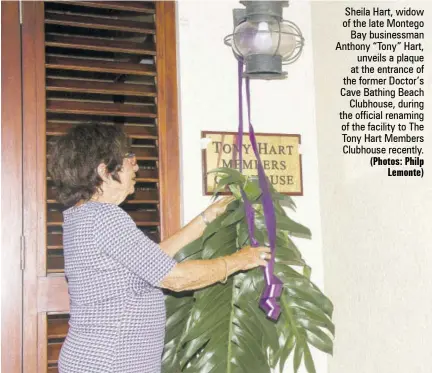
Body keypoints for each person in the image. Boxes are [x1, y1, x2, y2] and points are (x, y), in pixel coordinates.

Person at [48, 124, 271, 373]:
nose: (136, 165)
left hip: (91, 358)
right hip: (112, 362)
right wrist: (240, 260)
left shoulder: (81, 216)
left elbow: (153, 260)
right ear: (104, 170)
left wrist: (205, 218)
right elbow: (176, 279)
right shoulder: (105, 217)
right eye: (128, 158)